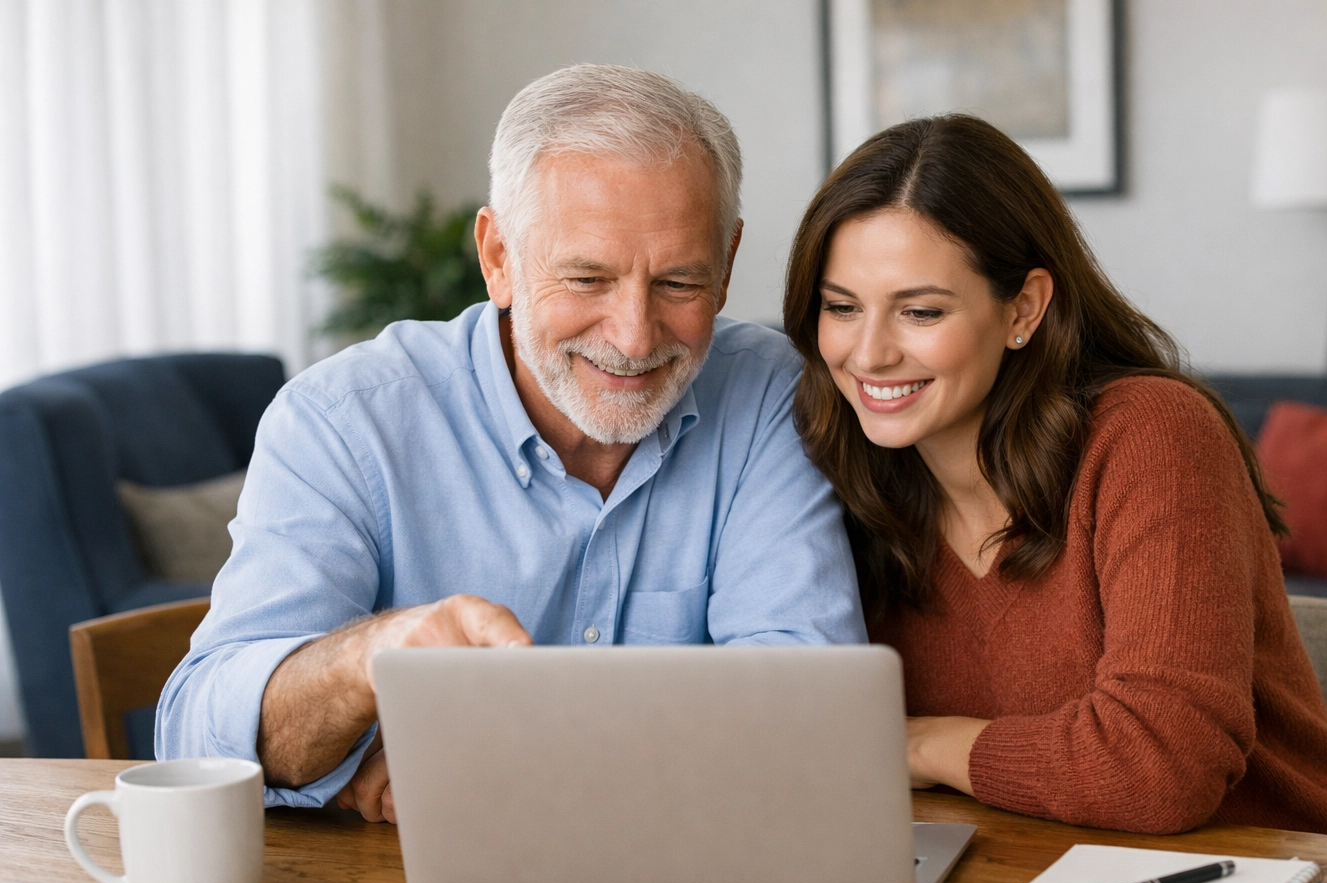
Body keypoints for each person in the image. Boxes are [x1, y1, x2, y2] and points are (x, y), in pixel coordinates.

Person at [157, 65, 865, 822]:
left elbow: (808, 710)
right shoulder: (342, 422)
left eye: (679, 284)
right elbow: (200, 741)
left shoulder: (768, 396)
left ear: (726, 266)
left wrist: (495, 755)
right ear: (498, 258)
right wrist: (369, 660)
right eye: (588, 280)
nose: (633, 335)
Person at [782, 114, 1327, 841]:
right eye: (841, 307)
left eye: (920, 311)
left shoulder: (1152, 436)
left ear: (1023, 308)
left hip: (1299, 880)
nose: (869, 353)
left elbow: (1160, 768)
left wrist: (917, 743)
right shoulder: (838, 467)